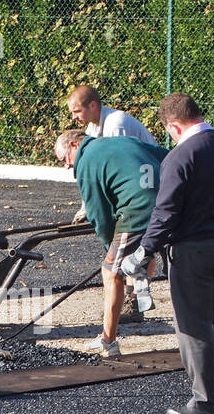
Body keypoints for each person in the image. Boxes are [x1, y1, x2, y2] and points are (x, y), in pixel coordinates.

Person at [122, 92, 214, 414]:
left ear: (174, 125)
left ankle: (203, 401)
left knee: (193, 325)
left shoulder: (179, 158)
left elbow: (165, 213)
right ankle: (213, 392)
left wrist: (143, 251)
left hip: (193, 250)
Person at [55, 128, 165, 356]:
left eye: (64, 159)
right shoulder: (124, 141)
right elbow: (167, 155)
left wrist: (110, 248)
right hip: (167, 206)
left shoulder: (85, 161)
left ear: (74, 145)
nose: (67, 166)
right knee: (152, 251)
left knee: (110, 271)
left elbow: (99, 216)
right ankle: (140, 285)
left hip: (137, 211)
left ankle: (108, 341)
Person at [66, 85, 157, 144]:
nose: (74, 117)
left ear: (92, 105)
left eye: (77, 111)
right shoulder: (91, 127)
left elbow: (121, 162)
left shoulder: (116, 123)